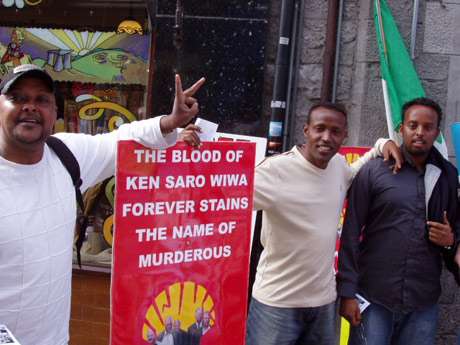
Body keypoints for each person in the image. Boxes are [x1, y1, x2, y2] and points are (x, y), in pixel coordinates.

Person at [0, 63, 205, 345]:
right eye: (18, 98)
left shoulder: (65, 154)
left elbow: (121, 140)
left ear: (55, 113)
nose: (30, 107)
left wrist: (169, 122)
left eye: (42, 100)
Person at [243, 102, 402, 345]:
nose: (326, 137)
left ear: (344, 136)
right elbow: (223, 200)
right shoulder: (275, 171)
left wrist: (382, 144)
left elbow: (355, 170)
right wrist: (181, 145)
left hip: (324, 304)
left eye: (335, 131)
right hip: (276, 305)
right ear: (306, 130)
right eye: (320, 128)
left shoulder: (338, 166)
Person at [337, 97, 460, 345]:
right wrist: (348, 293)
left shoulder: (447, 175)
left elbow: (454, 231)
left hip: (422, 302)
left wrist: (450, 242)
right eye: (413, 125)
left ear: (437, 132)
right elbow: (350, 232)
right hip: (374, 297)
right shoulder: (374, 170)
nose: (420, 133)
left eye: (428, 127)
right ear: (401, 128)